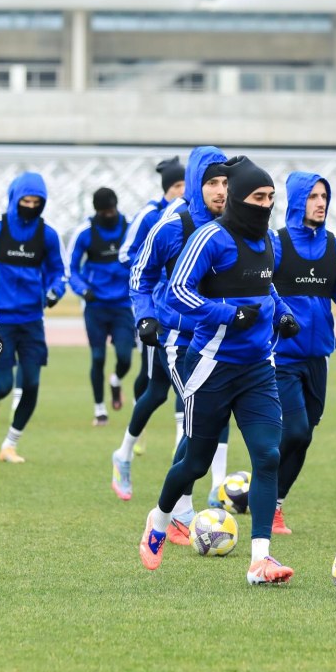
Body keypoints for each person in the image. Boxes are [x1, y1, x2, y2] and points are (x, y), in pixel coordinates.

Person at [140, 156, 297, 585]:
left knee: (267, 455)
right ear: (239, 198)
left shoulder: (268, 240)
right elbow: (178, 291)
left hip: (258, 367)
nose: (266, 205)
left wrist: (281, 312)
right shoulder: (210, 237)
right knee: (195, 461)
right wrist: (228, 314)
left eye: (271, 197)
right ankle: (158, 519)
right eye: (258, 197)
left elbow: (264, 285)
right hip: (210, 365)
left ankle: (260, 560)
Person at [115, 147, 228, 529]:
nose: (221, 190)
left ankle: (211, 490)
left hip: (219, 337)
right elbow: (136, 267)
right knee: (171, 400)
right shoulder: (167, 222)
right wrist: (146, 315)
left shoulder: (235, 224)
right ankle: (178, 503)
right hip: (174, 336)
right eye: (212, 182)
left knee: (205, 412)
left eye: (226, 182)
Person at [271, 172, 336, 533]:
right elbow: (260, 290)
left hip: (318, 358)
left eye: (324, 196)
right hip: (281, 357)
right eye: (313, 196)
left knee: (305, 436)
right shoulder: (275, 244)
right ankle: (263, 493)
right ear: (298, 200)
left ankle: (274, 503)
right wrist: (279, 317)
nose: (321, 202)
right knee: (295, 431)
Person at [0, 172, 66, 463]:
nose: (30, 206)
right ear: (14, 198)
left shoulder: (48, 236)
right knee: (2, 385)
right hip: (1, 321)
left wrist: (55, 291)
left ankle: (10, 444)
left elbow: (59, 272)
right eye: (25, 201)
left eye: (36, 202)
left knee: (31, 383)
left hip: (32, 321)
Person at [119, 157, 185, 413]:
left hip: (182, 307)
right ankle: (136, 422)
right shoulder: (150, 215)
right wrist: (155, 272)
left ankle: (181, 432)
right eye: (177, 185)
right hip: (154, 304)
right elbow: (125, 254)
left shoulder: (192, 215)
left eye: (185, 184)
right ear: (167, 187)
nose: (182, 190)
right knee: (150, 376)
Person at [67, 188, 133, 425]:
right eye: (104, 212)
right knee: (97, 357)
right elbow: (70, 268)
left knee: (125, 357)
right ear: (96, 211)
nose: (109, 214)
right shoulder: (85, 232)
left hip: (123, 305)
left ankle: (116, 380)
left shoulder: (130, 227)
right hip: (95, 306)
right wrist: (83, 290)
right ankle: (99, 409)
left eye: (112, 210)